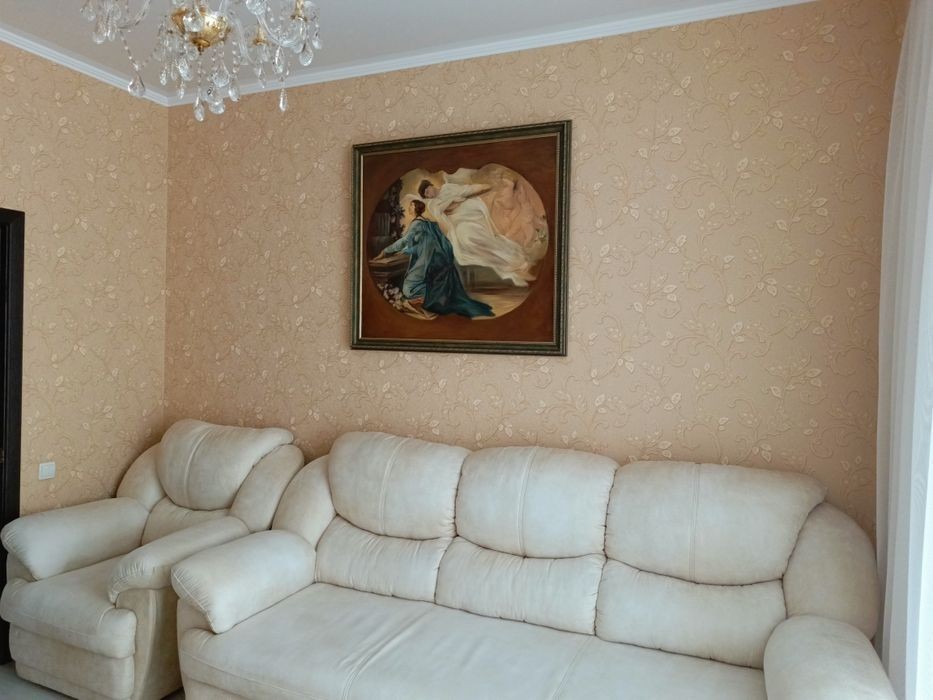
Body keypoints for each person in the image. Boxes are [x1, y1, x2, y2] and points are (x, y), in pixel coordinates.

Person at [374, 200, 493, 319]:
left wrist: (386, 251)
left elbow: (404, 241)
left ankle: (427, 303)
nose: (409, 207)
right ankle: (429, 302)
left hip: (425, 260)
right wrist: (407, 251)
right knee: (412, 286)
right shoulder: (426, 222)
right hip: (431, 259)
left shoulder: (417, 224)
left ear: (416, 208)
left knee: (409, 288)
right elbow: (421, 244)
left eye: (411, 205)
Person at [418, 177, 536, 287]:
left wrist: (483, 187)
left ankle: (513, 261)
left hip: (470, 212)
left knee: (483, 239)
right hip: (457, 222)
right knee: (468, 240)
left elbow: (466, 190)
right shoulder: (432, 204)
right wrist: (453, 200)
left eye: (427, 191)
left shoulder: (447, 188)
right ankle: (508, 265)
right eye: (426, 195)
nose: (429, 195)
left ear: (430, 186)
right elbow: (442, 210)